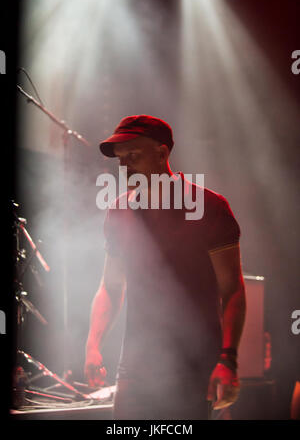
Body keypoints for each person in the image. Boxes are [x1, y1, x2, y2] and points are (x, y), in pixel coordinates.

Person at [84, 115, 246, 420]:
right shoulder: (119, 210)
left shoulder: (209, 207)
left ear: (162, 154)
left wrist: (228, 359)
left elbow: (232, 289)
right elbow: (111, 285)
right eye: (120, 160)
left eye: (133, 156)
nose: (125, 167)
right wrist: (93, 343)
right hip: (136, 360)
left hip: (196, 361)